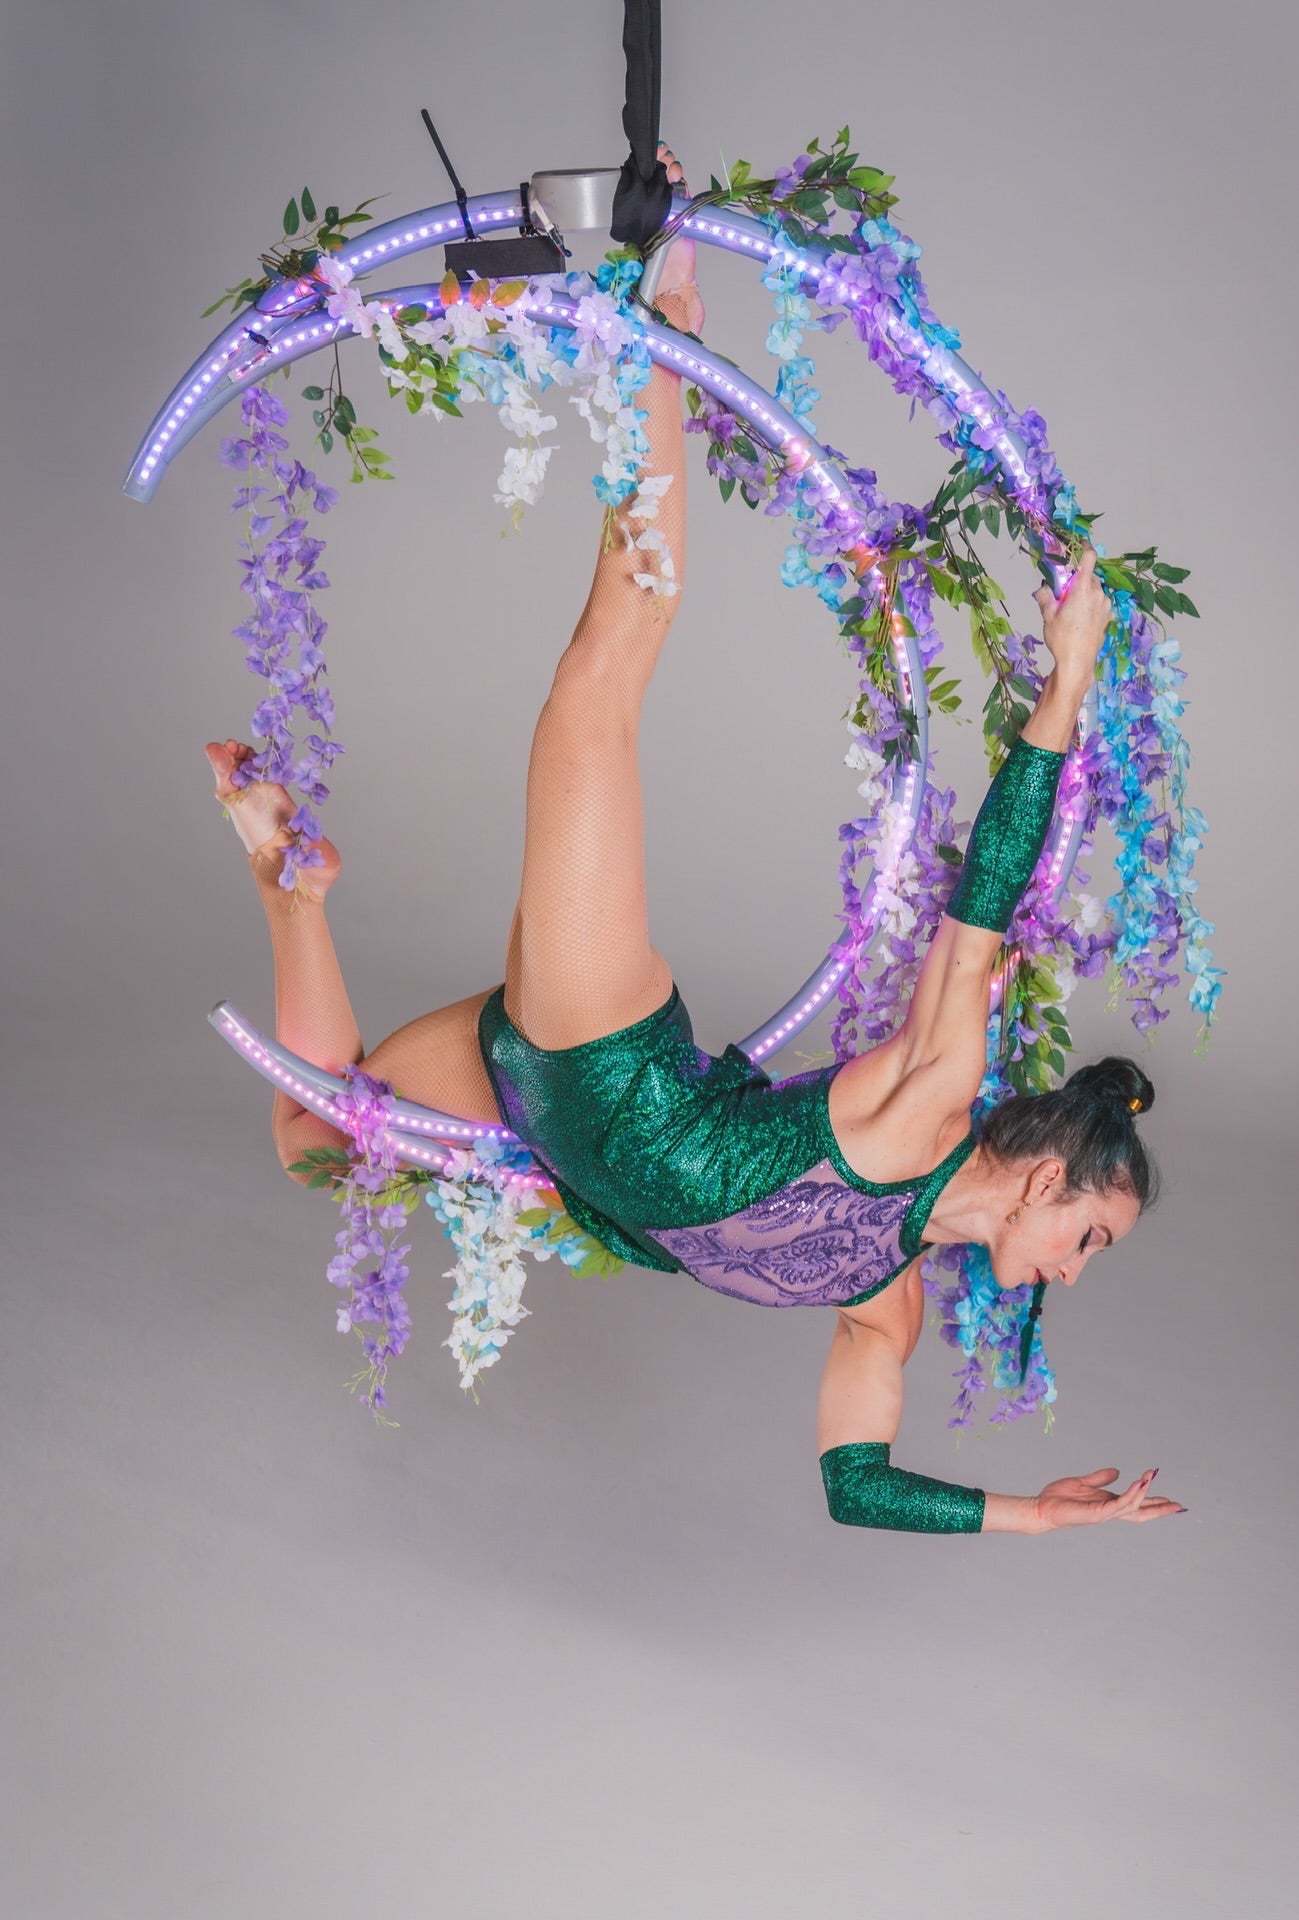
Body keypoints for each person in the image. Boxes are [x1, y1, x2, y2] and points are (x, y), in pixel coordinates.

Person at [206, 145, 1184, 1539]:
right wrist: (1069, 675)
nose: (1073, 1275)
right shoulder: (933, 1098)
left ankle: (292, 892)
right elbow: (988, 889)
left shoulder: (887, 1299)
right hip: (606, 1061)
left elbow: (857, 1487)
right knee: (612, 658)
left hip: (561, 1143)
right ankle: (660, 308)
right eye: (1088, 1238)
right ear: (1044, 1178)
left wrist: (1054, 1515)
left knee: (316, 1141)